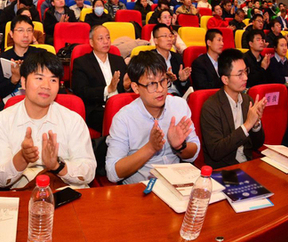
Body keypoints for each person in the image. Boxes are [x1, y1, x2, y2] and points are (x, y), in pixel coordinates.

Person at [0, 52, 96, 189]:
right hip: (22, 192)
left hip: (66, 191)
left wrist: (57, 166)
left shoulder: (73, 120)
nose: (46, 86)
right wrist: (22, 157)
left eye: (53, 80)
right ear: (23, 82)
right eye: (39, 78)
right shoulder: (0, 122)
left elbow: (89, 171)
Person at [105, 51, 200, 185]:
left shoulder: (179, 105)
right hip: (141, 188)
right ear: (136, 88)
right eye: (151, 84)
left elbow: (194, 152)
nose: (160, 89)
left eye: (163, 81)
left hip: (177, 183)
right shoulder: (123, 118)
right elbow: (112, 172)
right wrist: (150, 148)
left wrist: (180, 146)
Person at [199, 49, 267, 169]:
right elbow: (216, 151)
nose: (245, 77)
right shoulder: (211, 107)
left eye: (246, 71)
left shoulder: (248, 101)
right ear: (225, 79)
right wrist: (247, 125)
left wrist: (256, 124)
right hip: (224, 169)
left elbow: (257, 144)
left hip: (247, 163)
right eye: (240, 74)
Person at [71, 25, 129, 133]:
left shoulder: (118, 60)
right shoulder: (82, 63)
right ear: (91, 42)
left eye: (108, 38)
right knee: (118, 121)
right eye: (100, 39)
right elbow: (81, 91)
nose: (106, 41)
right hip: (97, 108)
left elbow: (125, 85)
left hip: (121, 105)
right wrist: (108, 89)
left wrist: (127, 86)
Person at [0, 16, 45, 106]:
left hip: (38, 101)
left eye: (29, 30)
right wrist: (14, 79)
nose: (26, 35)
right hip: (12, 104)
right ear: (11, 34)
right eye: (20, 30)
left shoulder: (42, 55)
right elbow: (1, 92)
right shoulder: (1, 59)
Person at [151, 23, 191, 97]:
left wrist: (183, 80)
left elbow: (186, 87)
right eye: (165, 36)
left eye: (170, 36)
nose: (169, 39)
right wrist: (165, 79)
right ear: (155, 40)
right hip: (157, 96)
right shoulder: (149, 58)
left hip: (177, 97)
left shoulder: (177, 57)